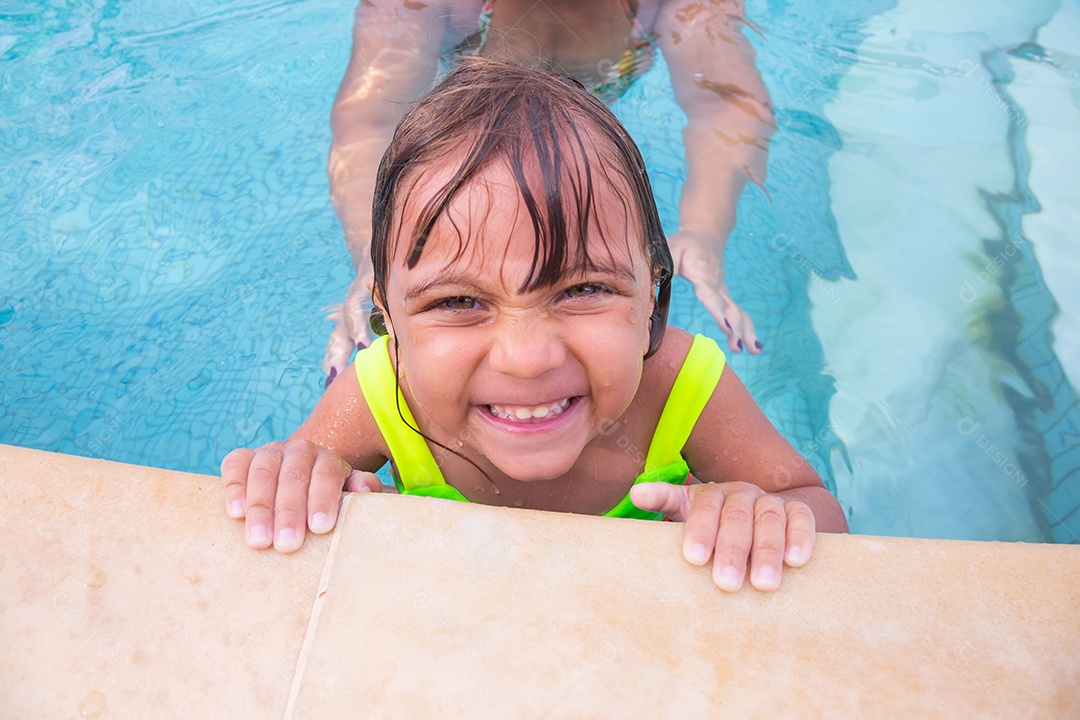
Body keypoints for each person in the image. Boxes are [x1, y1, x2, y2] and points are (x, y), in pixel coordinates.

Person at [223, 59, 847, 593]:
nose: (527, 358)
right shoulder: (381, 391)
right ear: (387, 317)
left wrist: (757, 515)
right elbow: (296, 475)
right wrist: (300, 477)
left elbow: (815, 507)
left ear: (654, 298)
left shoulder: (682, 387)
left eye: (583, 289)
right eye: (457, 303)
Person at [323, 0, 775, 385]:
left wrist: (702, 231)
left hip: (594, 126)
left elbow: (729, 106)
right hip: (473, 122)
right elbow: (370, 121)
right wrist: (375, 252)